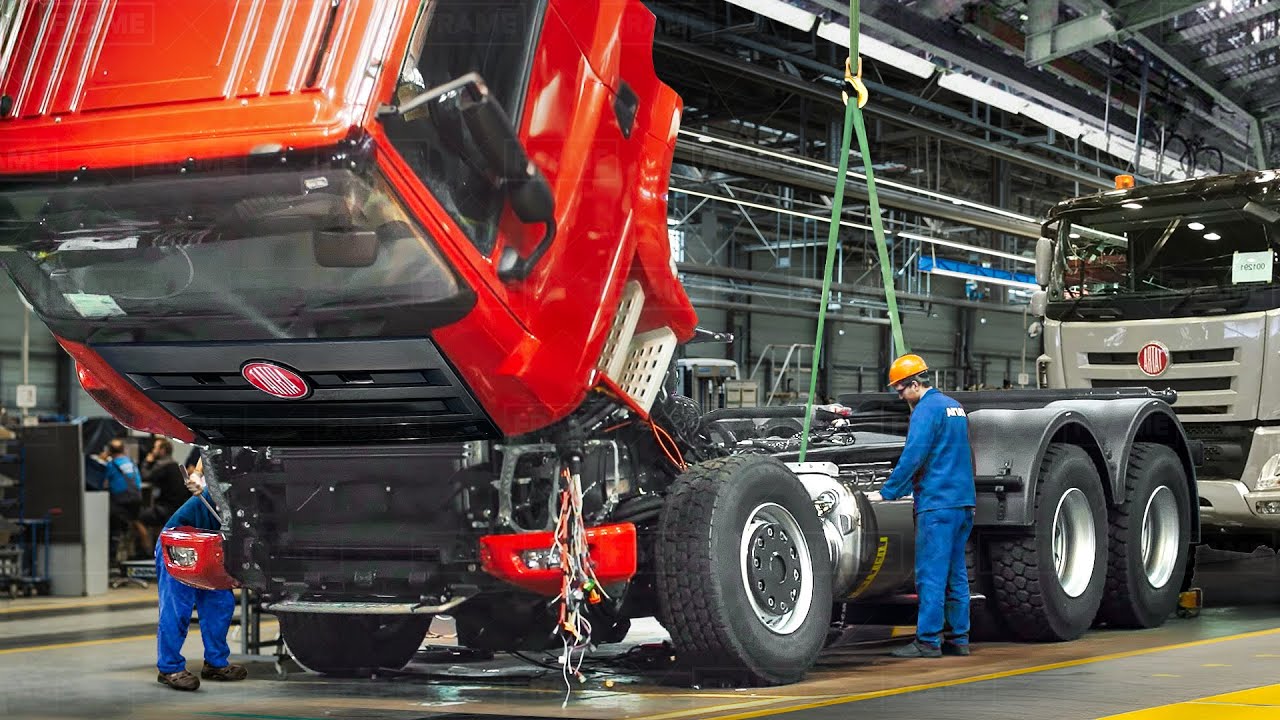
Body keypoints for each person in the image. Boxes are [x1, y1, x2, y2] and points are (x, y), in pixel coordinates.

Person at [868, 354, 976, 658]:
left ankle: (928, 641)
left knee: (930, 573)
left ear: (915, 384)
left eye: (901, 389)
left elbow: (914, 455)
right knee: (956, 573)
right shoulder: (955, 407)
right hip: (962, 502)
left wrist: (888, 492)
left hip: (938, 504)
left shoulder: (926, 411)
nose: (900, 396)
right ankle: (959, 638)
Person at [155, 460, 247, 691]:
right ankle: (169, 668)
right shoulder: (225, 491)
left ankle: (215, 664)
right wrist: (197, 474)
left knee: (220, 604)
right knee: (178, 607)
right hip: (181, 539)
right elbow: (207, 450)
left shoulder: (254, 496)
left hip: (212, 545)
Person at [103, 438, 144, 565]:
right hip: (136, 499)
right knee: (135, 523)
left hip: (120, 501)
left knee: (115, 528)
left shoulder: (111, 465)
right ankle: (141, 553)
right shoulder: (131, 462)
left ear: (109, 451)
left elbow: (104, 484)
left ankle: (113, 560)